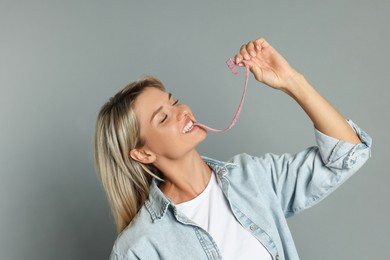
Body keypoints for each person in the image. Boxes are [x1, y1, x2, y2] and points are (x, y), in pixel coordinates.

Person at [94, 37, 372, 260]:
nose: (182, 111)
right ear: (143, 154)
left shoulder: (253, 177)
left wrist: (291, 81)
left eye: (174, 101)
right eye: (163, 117)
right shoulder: (138, 248)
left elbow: (348, 154)